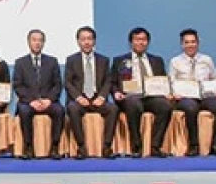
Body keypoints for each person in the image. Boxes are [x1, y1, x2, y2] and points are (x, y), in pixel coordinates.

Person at [112, 27, 171, 158]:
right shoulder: (120, 60)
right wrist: (116, 92)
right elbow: (113, 82)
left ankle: (155, 146)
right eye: (137, 39)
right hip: (130, 96)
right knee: (134, 104)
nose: (141, 42)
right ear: (131, 42)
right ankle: (136, 146)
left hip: (151, 96)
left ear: (148, 42)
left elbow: (163, 80)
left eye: (144, 40)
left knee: (165, 106)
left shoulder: (157, 60)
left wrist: (166, 92)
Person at [168, 29, 216, 157]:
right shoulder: (175, 61)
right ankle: (194, 145)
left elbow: (214, 78)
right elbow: (171, 82)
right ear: (182, 44)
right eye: (187, 42)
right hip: (185, 97)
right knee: (191, 108)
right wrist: (174, 94)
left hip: (205, 96)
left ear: (198, 43)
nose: (190, 45)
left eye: (193, 42)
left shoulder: (207, 59)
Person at [63, 26, 117, 159]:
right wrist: (78, 97)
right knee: (72, 108)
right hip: (80, 100)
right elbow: (68, 82)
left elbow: (108, 81)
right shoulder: (71, 60)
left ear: (94, 41)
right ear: (78, 41)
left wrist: (102, 97)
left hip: (97, 98)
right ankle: (81, 147)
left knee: (113, 109)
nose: (86, 42)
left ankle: (107, 147)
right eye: (83, 39)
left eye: (89, 39)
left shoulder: (103, 60)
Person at [13, 29, 64, 160]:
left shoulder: (52, 61)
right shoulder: (20, 63)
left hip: (48, 101)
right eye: (34, 40)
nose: (37, 43)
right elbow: (18, 85)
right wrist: (31, 101)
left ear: (44, 43)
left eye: (40, 40)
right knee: (24, 111)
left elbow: (57, 85)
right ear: (28, 42)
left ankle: (55, 147)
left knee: (59, 111)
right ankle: (28, 147)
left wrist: (49, 100)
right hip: (28, 102)